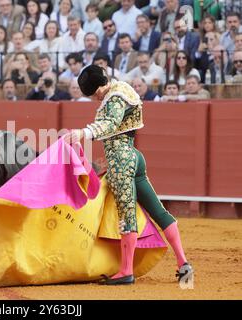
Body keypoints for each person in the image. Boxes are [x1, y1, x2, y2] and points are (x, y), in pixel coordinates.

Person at [64, 64, 193, 285]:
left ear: (96, 91)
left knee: (126, 216)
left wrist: (83, 132)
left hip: (121, 160)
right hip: (133, 155)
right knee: (159, 212)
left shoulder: (113, 98)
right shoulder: (122, 87)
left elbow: (110, 123)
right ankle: (183, 264)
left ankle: (125, 271)